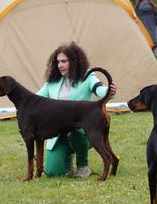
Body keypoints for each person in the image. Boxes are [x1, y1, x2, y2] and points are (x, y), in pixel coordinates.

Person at [37, 42, 117, 178]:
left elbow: (100, 89)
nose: (60, 65)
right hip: (58, 134)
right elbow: (36, 99)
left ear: (74, 62)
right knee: (53, 172)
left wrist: (110, 91)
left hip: (81, 131)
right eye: (58, 62)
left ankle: (83, 166)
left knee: (74, 134)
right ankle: (66, 159)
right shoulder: (52, 82)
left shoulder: (87, 77)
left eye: (64, 61)